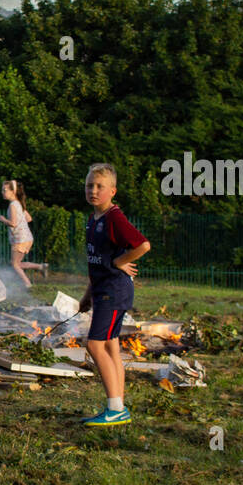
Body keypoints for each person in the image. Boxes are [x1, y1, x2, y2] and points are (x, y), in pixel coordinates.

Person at [78, 163, 151, 427]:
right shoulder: (93, 219)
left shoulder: (114, 218)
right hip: (102, 291)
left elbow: (143, 245)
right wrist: (88, 294)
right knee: (111, 346)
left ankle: (116, 409)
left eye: (99, 187)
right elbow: (96, 262)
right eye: (89, 186)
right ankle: (118, 404)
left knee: (95, 344)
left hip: (115, 291)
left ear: (112, 191)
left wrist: (122, 261)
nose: (93, 191)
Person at [0, 179, 47, 287]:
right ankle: (40, 267)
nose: (2, 192)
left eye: (4, 190)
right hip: (27, 238)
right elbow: (29, 218)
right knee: (17, 264)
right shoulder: (19, 204)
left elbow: (13, 223)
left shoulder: (12, 205)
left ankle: (27, 284)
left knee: (15, 265)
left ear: (13, 191)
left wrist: (3, 219)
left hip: (19, 239)